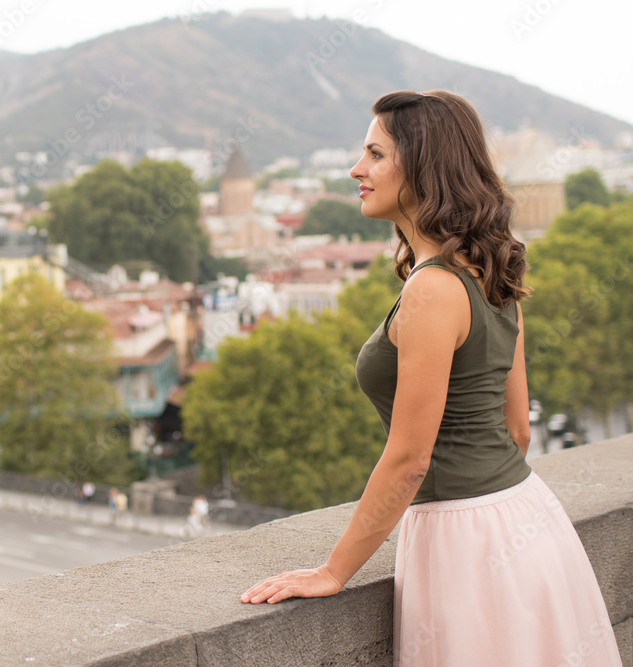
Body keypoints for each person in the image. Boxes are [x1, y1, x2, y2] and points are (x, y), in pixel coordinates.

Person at [240, 91, 621, 666]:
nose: (356, 169)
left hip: (463, 537)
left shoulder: (433, 290)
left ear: (422, 167)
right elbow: (517, 429)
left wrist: (332, 571)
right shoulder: (492, 271)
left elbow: (410, 459)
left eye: (374, 154)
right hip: (527, 518)